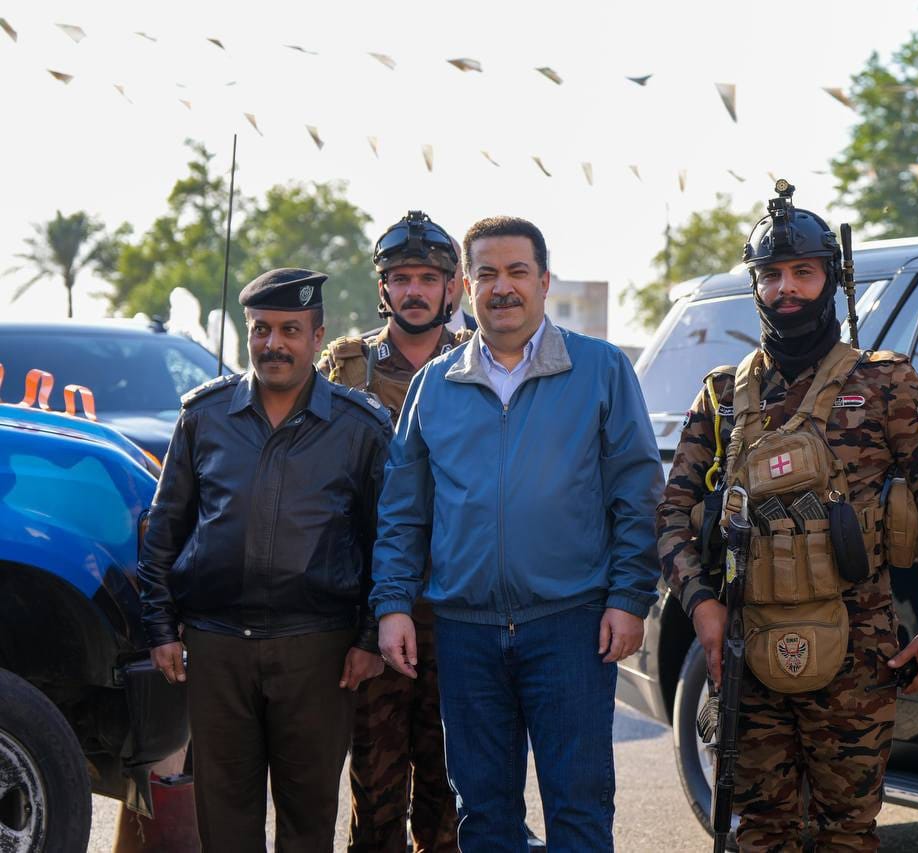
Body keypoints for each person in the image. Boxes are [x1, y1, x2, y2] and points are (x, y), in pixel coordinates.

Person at [656, 180, 918, 850]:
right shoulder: (722, 395)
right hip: (748, 648)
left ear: (832, 279)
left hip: (858, 655)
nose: (786, 289)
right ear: (755, 284)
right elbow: (673, 513)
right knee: (760, 831)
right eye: (771, 274)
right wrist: (701, 604)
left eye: (803, 272)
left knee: (846, 833)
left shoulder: (885, 382)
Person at [370, 216, 663, 850]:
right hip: (466, 631)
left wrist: (629, 597)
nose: (502, 287)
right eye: (487, 274)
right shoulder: (434, 386)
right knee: (484, 818)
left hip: (571, 626)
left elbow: (637, 494)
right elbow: (403, 511)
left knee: (579, 811)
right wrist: (392, 605)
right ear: (466, 286)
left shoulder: (600, 369)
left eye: (517, 272)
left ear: (544, 280)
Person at [137, 268, 392, 852]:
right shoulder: (204, 416)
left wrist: (369, 638)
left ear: (317, 335)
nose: (274, 344)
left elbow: (387, 543)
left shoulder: (360, 428)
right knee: (224, 819)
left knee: (308, 819)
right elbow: (164, 527)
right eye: (261, 329)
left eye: (290, 330)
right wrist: (159, 627)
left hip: (318, 652)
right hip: (217, 648)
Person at [317, 211, 469, 852]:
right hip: (375, 605)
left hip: (459, 603)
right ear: (383, 287)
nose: (414, 291)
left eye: (428, 279)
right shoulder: (346, 368)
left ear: (452, 287)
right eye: (401, 278)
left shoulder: (480, 362)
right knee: (376, 787)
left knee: (449, 789)